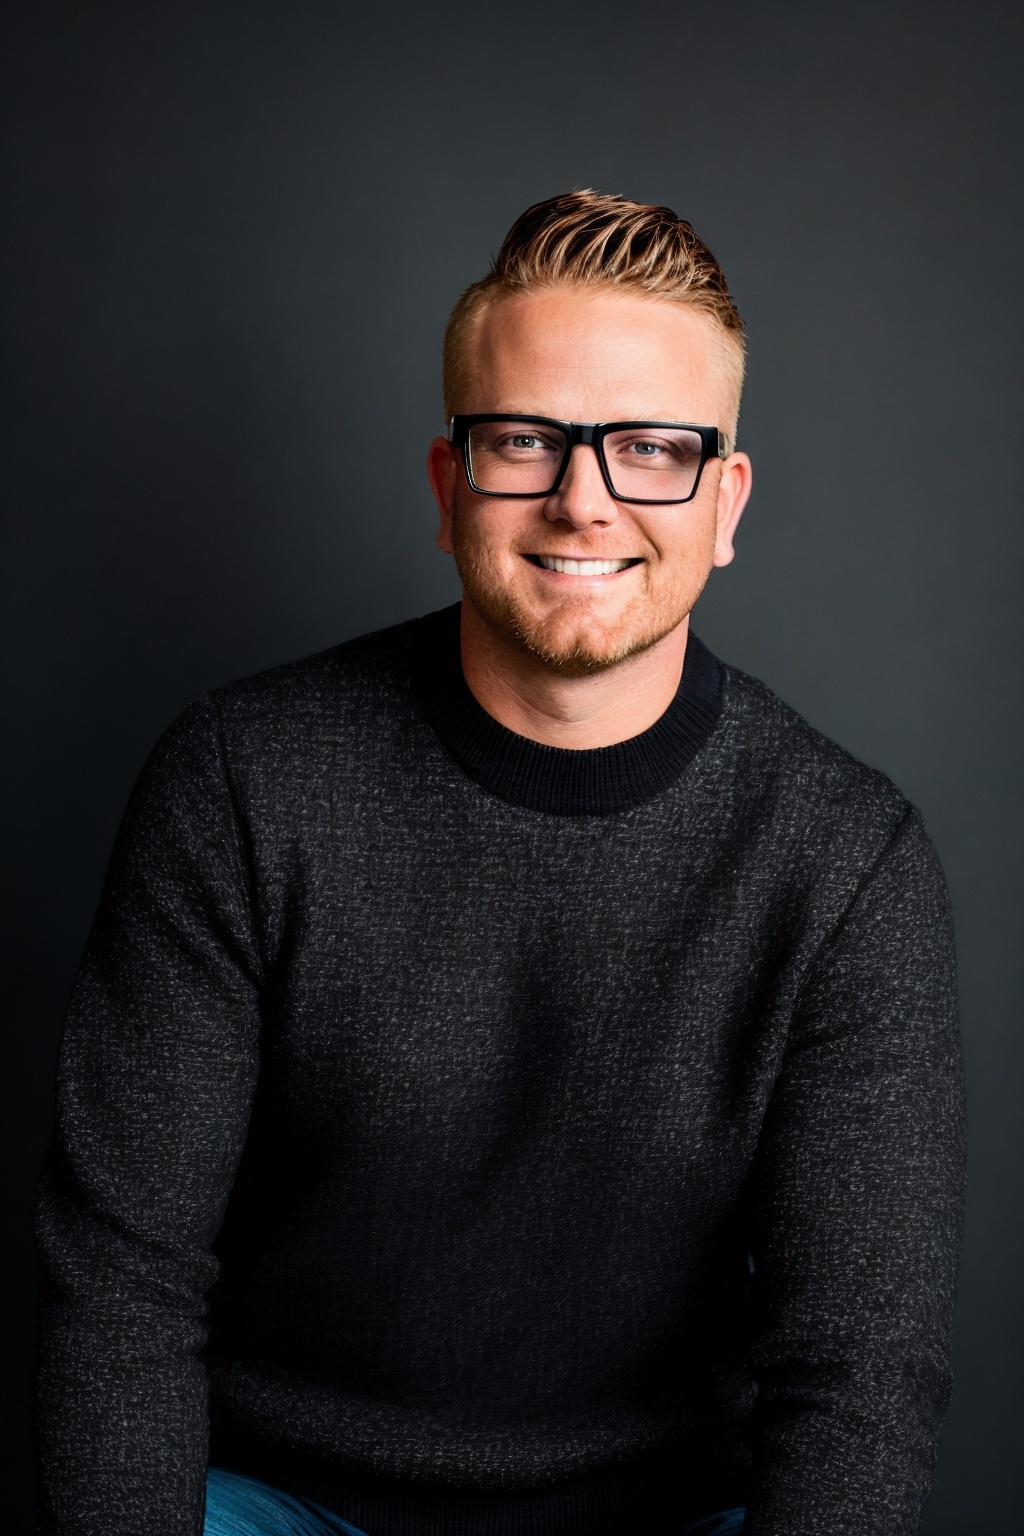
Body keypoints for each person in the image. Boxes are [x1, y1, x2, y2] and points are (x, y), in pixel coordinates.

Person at [33, 191, 965, 1536]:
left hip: (663, 1515)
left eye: (651, 447)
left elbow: (860, 1379)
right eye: (525, 440)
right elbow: (119, 1285)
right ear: (448, 482)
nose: (583, 502)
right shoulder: (241, 782)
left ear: (726, 499)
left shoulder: (846, 864)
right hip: (284, 1502)